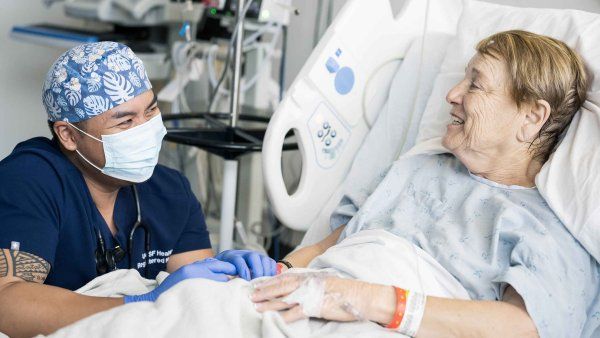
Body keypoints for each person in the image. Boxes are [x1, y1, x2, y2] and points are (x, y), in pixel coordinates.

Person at [251, 30, 599, 337]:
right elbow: (331, 245)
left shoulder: (549, 228)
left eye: (475, 84)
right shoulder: (416, 170)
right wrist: (274, 272)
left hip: (376, 324)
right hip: (306, 302)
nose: (451, 94)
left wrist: (366, 299)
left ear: (532, 116)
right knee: (200, 297)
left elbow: (522, 328)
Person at [0, 41, 275, 337]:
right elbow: (8, 302)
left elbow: (201, 297)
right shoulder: (30, 179)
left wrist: (231, 275)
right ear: (68, 135)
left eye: (151, 110)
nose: (145, 128)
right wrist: (140, 302)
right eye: (126, 121)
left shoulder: (170, 191)